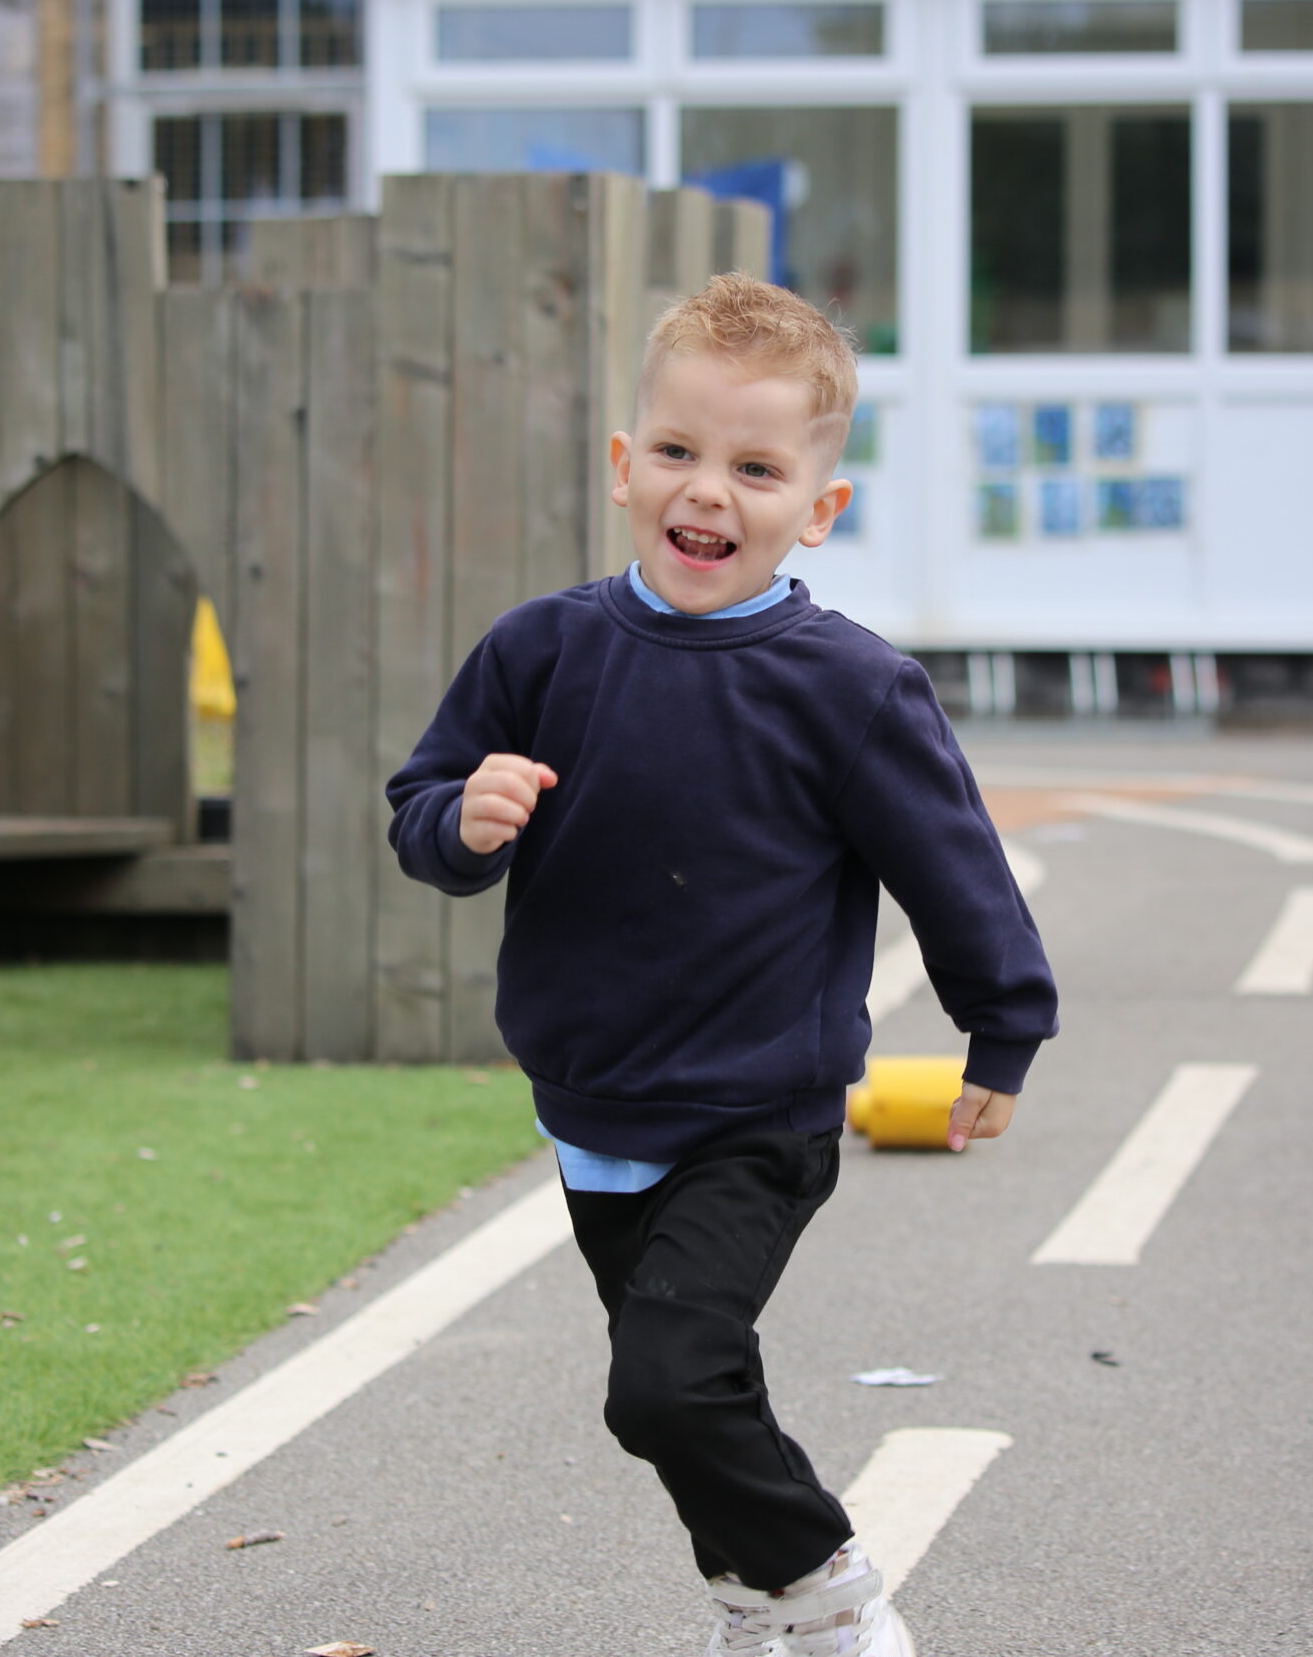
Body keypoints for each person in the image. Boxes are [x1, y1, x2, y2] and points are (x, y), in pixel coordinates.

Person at [386, 273, 1058, 1657]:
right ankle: (754, 1605)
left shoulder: (851, 689)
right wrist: (462, 818)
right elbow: (424, 806)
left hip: (760, 1109)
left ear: (819, 508)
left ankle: (832, 1597)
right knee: (693, 1385)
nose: (711, 492)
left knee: (666, 1387)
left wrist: (1003, 1030)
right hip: (591, 1106)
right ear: (628, 470)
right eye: (681, 455)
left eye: (757, 468)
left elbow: (955, 865)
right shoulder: (542, 649)